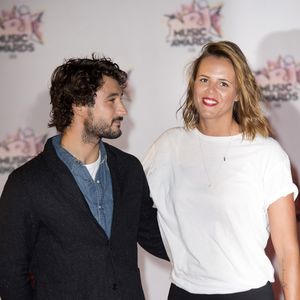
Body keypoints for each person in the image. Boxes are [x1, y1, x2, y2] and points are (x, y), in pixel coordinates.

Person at [0, 55, 168, 300]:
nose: (122, 110)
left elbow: (156, 236)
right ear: (79, 104)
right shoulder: (26, 183)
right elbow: (10, 274)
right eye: (112, 99)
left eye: (121, 99)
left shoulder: (129, 169)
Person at [143, 41, 300, 300]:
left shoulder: (266, 154)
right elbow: (134, 211)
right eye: (204, 79)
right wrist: (179, 250)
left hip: (247, 293)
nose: (210, 90)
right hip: (184, 292)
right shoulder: (168, 147)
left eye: (223, 83)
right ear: (193, 84)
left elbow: (286, 250)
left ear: (238, 94)